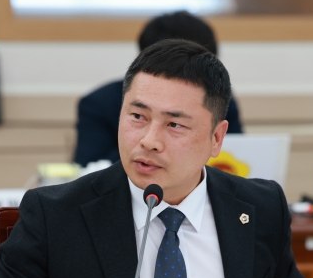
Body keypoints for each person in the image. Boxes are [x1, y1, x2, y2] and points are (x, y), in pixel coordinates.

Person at [0, 40, 305, 278]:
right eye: (137, 117)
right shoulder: (56, 215)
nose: (149, 141)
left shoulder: (260, 208)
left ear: (216, 138)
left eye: (174, 124)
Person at [73, 11, 243, 167]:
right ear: (139, 61)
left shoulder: (216, 100)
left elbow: (239, 156)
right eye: (138, 116)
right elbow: (89, 169)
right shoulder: (99, 103)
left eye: (175, 124)